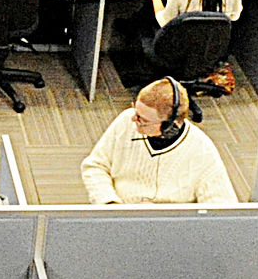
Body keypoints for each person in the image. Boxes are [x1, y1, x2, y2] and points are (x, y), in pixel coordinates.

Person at [81, 78, 238, 205]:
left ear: (170, 125)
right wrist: (110, 204)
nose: (133, 119)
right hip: (120, 213)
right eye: (136, 111)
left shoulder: (202, 150)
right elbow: (95, 166)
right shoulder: (125, 121)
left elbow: (221, 207)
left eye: (143, 119)